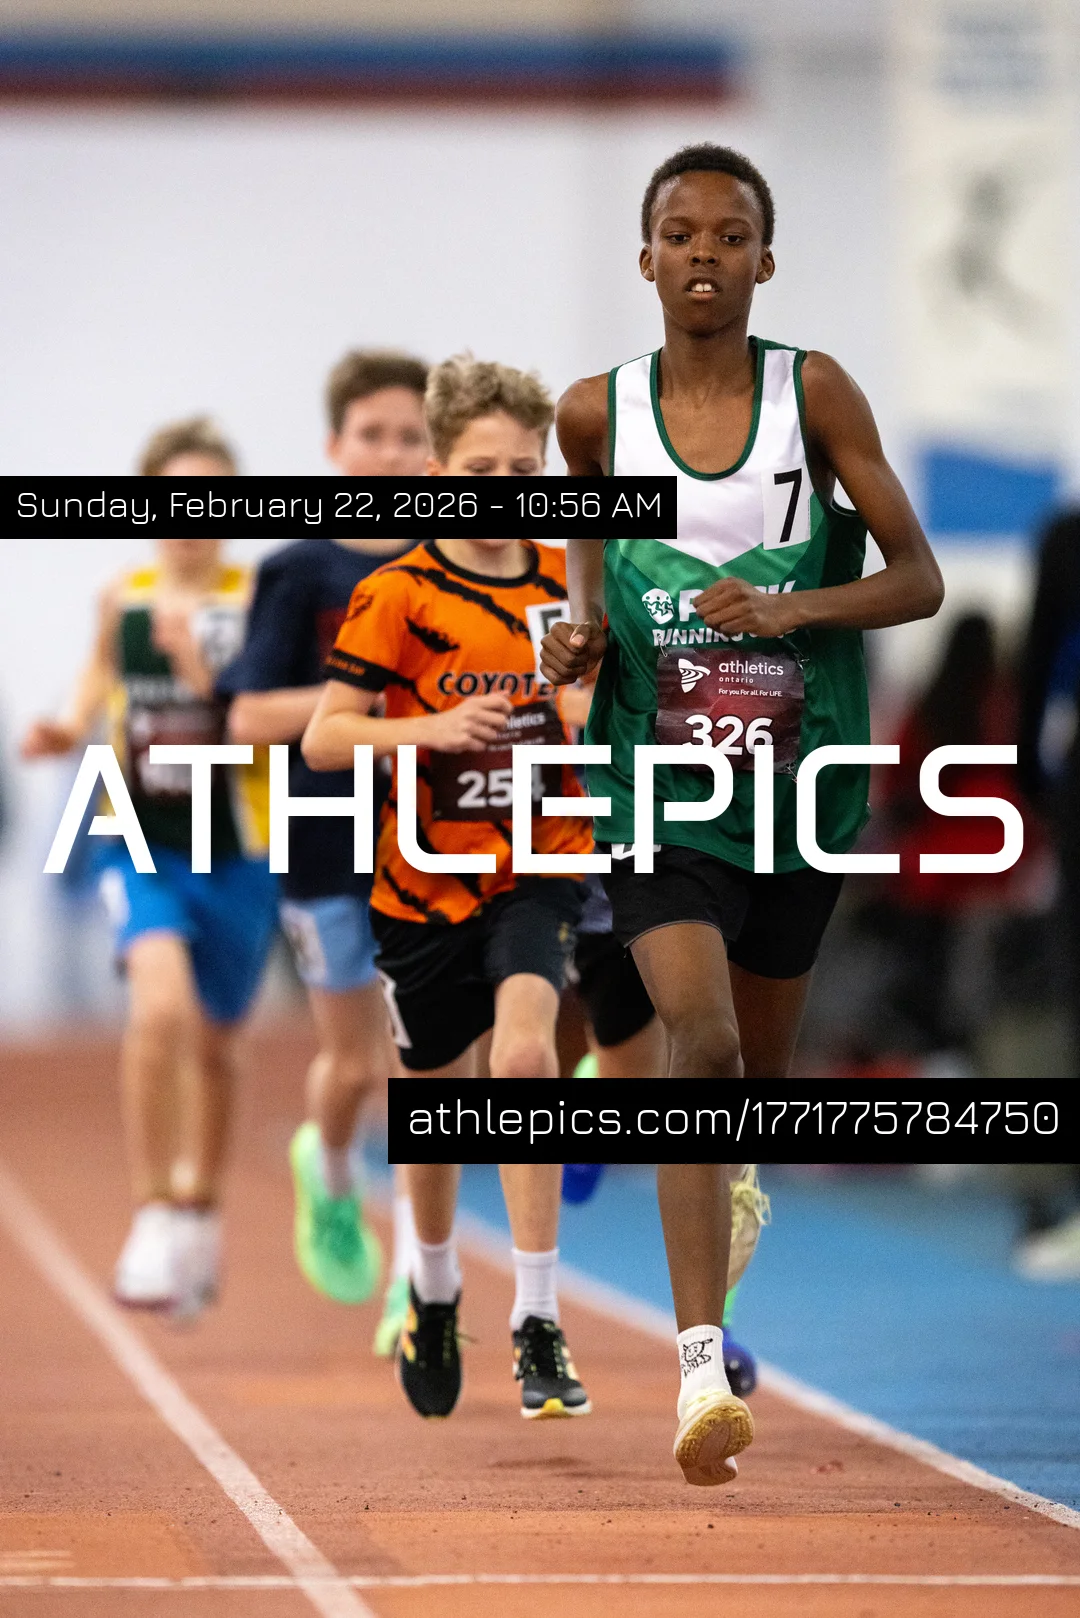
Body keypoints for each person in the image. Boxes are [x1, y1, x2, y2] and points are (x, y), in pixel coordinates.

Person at [541, 143, 943, 1482]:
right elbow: (587, 554)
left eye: (728, 234)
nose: (703, 253)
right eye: (680, 232)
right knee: (697, 1043)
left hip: (796, 781)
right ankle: (700, 1366)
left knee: (749, 1080)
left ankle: (737, 1182)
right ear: (645, 257)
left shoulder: (813, 392)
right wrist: (579, 629)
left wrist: (789, 609)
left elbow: (919, 579)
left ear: (764, 260)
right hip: (656, 785)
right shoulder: (592, 415)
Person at [303, 354, 592, 1422]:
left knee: (524, 1055)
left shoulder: (569, 580)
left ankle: (538, 1315)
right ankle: (431, 1285)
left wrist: (589, 708)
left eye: (524, 470)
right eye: (481, 471)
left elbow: (604, 709)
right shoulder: (398, 592)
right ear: (438, 474)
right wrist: (429, 726)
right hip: (422, 880)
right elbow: (326, 737)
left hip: (541, 860)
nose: (504, 488)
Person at [21, 418, 277, 1317]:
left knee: (218, 1044)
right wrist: (63, 726)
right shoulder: (121, 596)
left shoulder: (259, 596)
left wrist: (200, 664)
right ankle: (154, 1213)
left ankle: (199, 1210)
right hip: (140, 834)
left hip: (242, 846)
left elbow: (272, 711)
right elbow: (98, 683)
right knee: (158, 1007)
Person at [220, 350, 429, 1352]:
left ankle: (418, 1284)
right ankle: (330, 1168)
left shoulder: (459, 559)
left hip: (435, 839)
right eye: (372, 434)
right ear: (335, 446)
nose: (391, 451)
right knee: (353, 1063)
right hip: (324, 840)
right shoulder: (297, 570)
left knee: (424, 1065)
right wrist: (362, 701)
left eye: (411, 436)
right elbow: (249, 715)